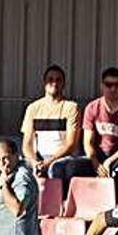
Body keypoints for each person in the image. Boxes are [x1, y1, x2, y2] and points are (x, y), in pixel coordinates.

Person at [21, 65, 83, 193]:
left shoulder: (71, 108)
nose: (54, 83)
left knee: (56, 168)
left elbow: (70, 145)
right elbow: (27, 144)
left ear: (64, 84)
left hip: (62, 158)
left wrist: (49, 162)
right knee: (21, 169)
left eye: (58, 80)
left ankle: (58, 206)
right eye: (50, 79)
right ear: (44, 83)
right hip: (38, 158)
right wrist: (34, 162)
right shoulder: (33, 108)